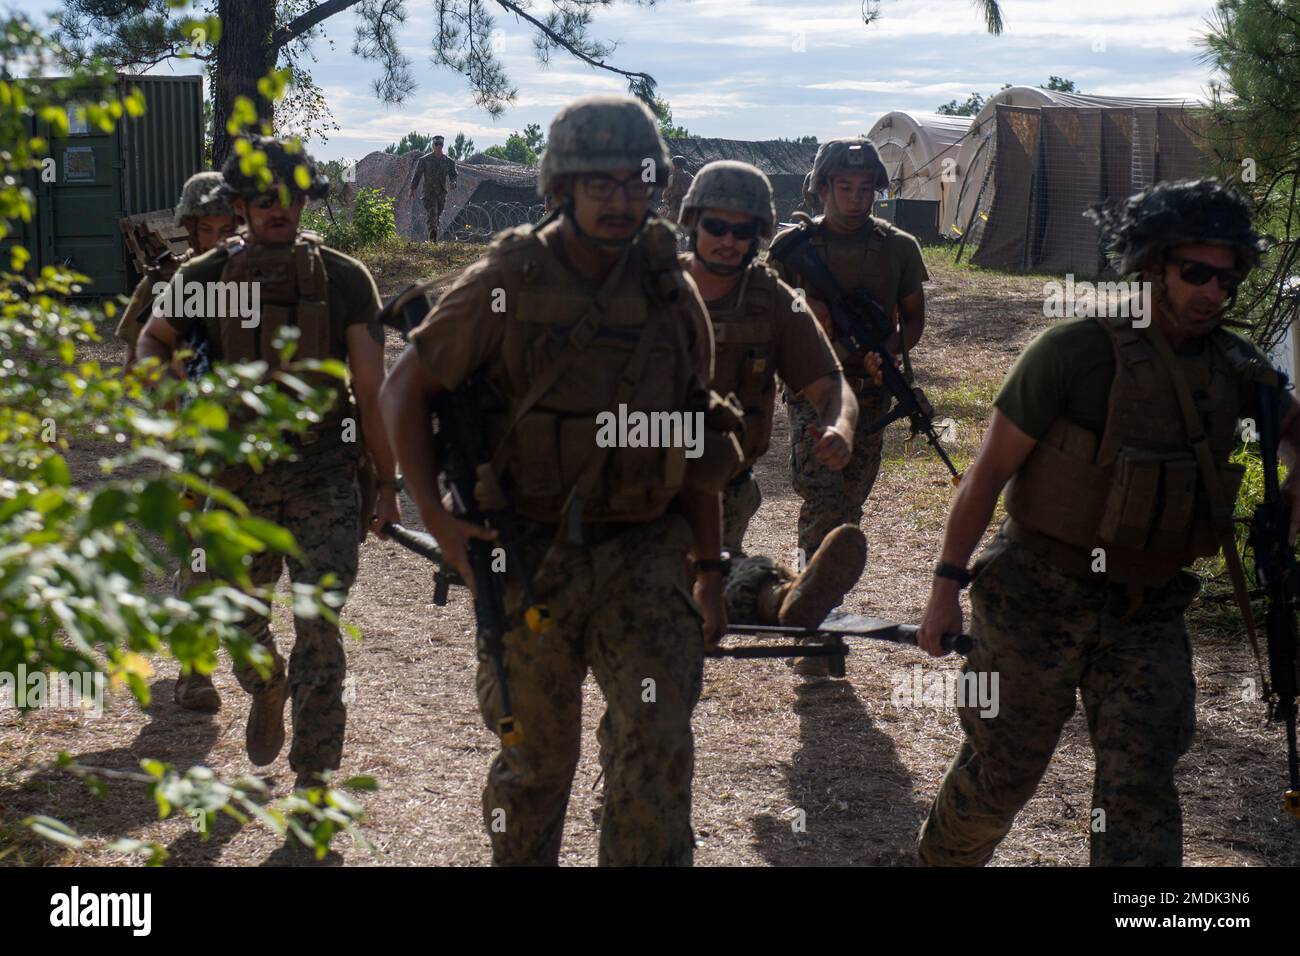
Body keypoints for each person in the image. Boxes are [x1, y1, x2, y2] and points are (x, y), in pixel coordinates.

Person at [380, 95, 724, 865]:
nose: (620, 200)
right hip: (529, 555)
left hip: (644, 554)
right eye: (598, 184)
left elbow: (697, 442)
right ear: (561, 187)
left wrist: (709, 569)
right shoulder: (509, 275)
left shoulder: (674, 293)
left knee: (657, 750)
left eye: (636, 183)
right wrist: (438, 523)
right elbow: (405, 389)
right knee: (534, 764)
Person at [915, 178, 1294, 866]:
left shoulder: (1239, 369)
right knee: (1001, 776)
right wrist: (945, 586)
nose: (1212, 292)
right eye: (1195, 273)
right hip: (1036, 594)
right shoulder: (1074, 353)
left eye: (1227, 278)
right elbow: (988, 472)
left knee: (1140, 788)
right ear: (1152, 266)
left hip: (1148, 609)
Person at [137, 135, 402, 787]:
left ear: (305, 197)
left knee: (320, 625)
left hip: (324, 478)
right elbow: (152, 341)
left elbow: (371, 391)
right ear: (242, 204)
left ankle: (314, 777)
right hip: (234, 482)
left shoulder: (343, 279)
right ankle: (267, 684)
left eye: (290, 194)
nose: (278, 208)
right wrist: (174, 405)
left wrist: (387, 483)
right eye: (262, 198)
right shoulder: (203, 278)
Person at [678, 160, 867, 674]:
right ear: (692, 222)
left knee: (702, 570)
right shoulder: (648, 292)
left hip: (725, 486)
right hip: (645, 479)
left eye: (743, 231)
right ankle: (776, 596)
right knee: (678, 575)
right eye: (716, 227)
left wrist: (839, 427)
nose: (728, 241)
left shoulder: (773, 302)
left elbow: (832, 388)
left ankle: (780, 597)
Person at [767, 138, 929, 562]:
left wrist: (890, 351)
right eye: (845, 187)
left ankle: (824, 596)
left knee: (850, 503)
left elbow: (913, 318)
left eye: (866, 188)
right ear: (822, 188)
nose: (857, 198)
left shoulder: (900, 247)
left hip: (872, 391)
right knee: (823, 496)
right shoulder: (792, 248)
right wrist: (806, 307)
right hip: (813, 388)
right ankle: (810, 597)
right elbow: (764, 309)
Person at [115, 172, 237, 370]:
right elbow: (132, 366)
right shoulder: (162, 281)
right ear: (190, 227)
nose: (217, 240)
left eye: (226, 229)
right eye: (206, 228)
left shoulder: (250, 273)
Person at [410, 135, 458, 241]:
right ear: (432, 145)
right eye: (436, 144)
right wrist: (413, 189)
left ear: (443, 146)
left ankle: (433, 235)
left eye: (440, 144)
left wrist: (453, 182)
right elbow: (417, 175)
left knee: (437, 216)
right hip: (429, 193)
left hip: (441, 193)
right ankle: (433, 238)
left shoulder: (448, 161)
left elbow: (453, 174)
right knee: (433, 214)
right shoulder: (424, 160)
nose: (438, 147)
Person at [662, 155, 694, 222]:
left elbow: (665, 194)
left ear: (675, 165)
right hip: (687, 208)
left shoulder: (671, 178)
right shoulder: (690, 177)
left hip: (674, 207)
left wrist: (666, 203)